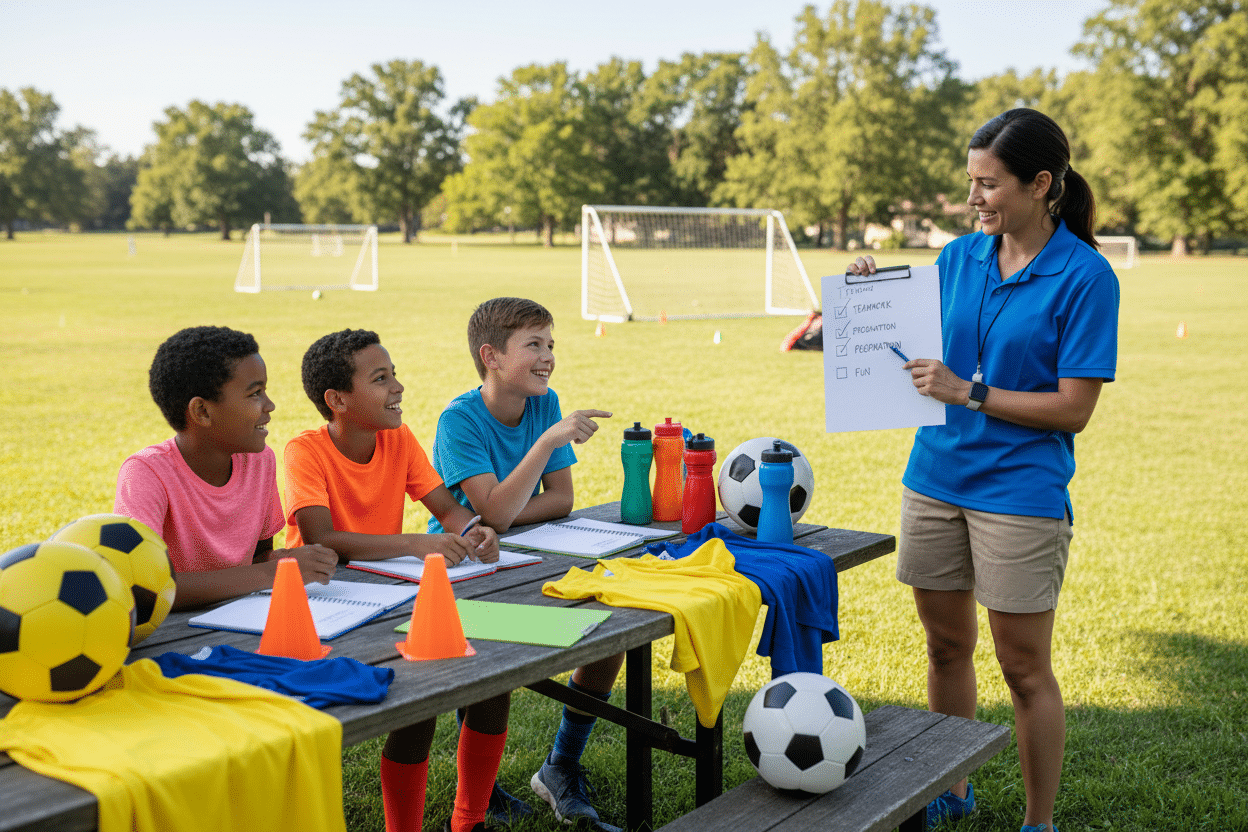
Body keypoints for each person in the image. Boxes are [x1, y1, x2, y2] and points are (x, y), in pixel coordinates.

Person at [848, 108, 1119, 832]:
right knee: (945, 647)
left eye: (988, 184)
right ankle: (954, 788)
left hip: (1019, 494)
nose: (974, 198)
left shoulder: (1086, 277)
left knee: (1024, 670)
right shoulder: (960, 258)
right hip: (934, 479)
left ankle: (1038, 823)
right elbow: (908, 339)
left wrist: (969, 392)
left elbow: (1073, 410)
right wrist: (870, 291)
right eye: (970, 181)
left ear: (1040, 185)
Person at [283, 328, 503, 832]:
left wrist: (476, 531)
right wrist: (414, 544)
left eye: (394, 374)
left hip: (390, 597)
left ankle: (468, 823)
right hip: (322, 610)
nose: (398, 387)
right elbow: (322, 538)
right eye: (381, 379)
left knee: (493, 676)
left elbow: (446, 508)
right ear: (337, 400)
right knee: (416, 701)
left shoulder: (398, 439)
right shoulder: (305, 451)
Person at [428, 297, 617, 832]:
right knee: (492, 670)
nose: (548, 357)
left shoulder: (543, 400)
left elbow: (560, 501)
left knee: (611, 620)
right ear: (491, 356)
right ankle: (478, 795)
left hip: (525, 551)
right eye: (533, 345)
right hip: (460, 569)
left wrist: (507, 516)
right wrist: (549, 441)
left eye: (550, 344)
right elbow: (491, 512)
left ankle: (561, 764)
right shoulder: (459, 420)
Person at [114, 325, 338, 610]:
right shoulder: (145, 473)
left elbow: (258, 557)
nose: (270, 405)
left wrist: (284, 560)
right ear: (202, 412)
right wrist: (273, 572)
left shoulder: (260, 461)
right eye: (255, 393)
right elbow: (146, 589)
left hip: (240, 617)